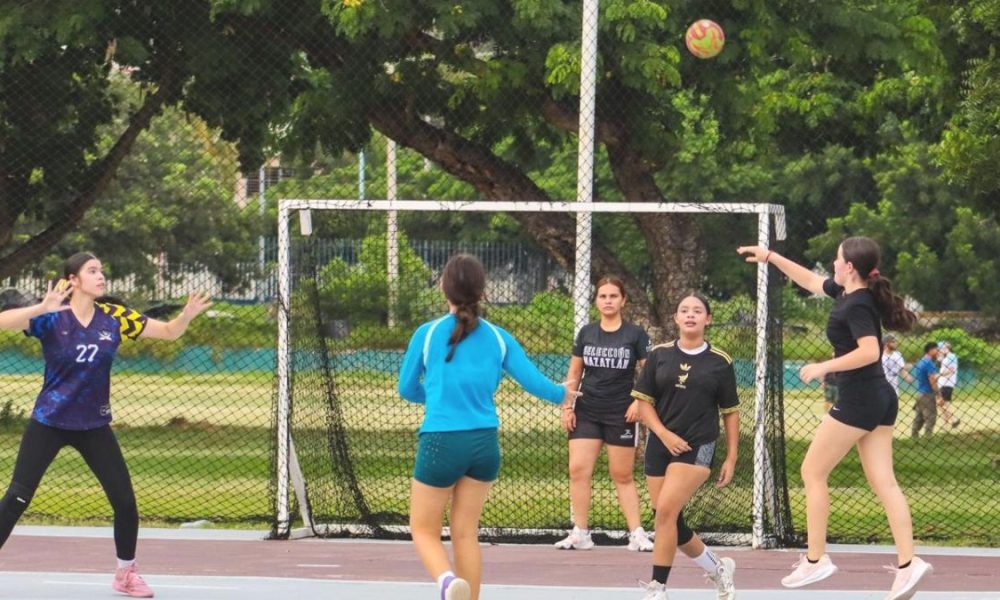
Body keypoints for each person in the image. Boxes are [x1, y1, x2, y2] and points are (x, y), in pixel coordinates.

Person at [0, 252, 212, 598]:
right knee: (17, 498)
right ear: (73, 280)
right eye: (92, 270)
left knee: (125, 502)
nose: (101, 276)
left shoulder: (114, 317)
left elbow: (169, 332)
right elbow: (2, 321)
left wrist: (185, 316)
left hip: (93, 424)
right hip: (49, 421)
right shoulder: (51, 316)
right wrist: (40, 307)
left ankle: (125, 574)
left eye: (101, 270)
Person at [737, 237, 932, 600]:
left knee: (812, 472)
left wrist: (823, 367)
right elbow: (811, 281)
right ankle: (909, 564)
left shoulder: (857, 304)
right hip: (879, 397)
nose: (833, 262)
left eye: (837, 258)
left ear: (850, 267)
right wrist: (771, 257)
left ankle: (816, 559)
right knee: (885, 483)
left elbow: (869, 351)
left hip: (860, 399)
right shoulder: (849, 293)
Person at [398, 254, 579, 600]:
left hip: (440, 442)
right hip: (484, 445)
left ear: (443, 288)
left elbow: (406, 388)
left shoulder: (427, 333)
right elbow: (534, 381)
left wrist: (436, 398)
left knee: (423, 530)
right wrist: (562, 394)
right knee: (466, 533)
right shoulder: (498, 337)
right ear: (482, 291)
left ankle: (447, 583)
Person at [632, 293, 739, 600]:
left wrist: (731, 456)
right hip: (660, 444)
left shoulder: (720, 362)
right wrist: (663, 434)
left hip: (697, 445)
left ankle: (658, 587)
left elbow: (730, 412)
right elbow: (643, 402)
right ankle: (718, 568)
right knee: (670, 520)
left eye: (697, 310)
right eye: (684, 310)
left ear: (708, 319)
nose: (690, 315)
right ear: (676, 318)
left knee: (665, 512)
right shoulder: (659, 355)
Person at [555, 276, 653, 552]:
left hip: (621, 413)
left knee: (621, 474)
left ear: (623, 300)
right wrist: (567, 406)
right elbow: (575, 372)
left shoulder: (635, 334)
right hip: (587, 411)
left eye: (613, 296)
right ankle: (581, 533)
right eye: (603, 296)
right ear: (596, 300)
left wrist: (639, 402)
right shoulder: (586, 332)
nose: (608, 301)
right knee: (578, 470)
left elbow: (649, 373)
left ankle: (636, 534)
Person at [912, 342, 941, 439]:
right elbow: (932, 380)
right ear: (931, 350)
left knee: (919, 417)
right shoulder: (929, 363)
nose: (938, 352)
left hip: (920, 393)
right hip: (927, 394)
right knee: (931, 417)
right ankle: (928, 438)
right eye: (937, 350)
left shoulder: (921, 362)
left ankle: (913, 437)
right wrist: (939, 395)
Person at [936, 342, 960, 429]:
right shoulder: (946, 357)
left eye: (941, 349)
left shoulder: (951, 357)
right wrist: (940, 356)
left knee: (940, 403)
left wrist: (939, 375)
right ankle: (946, 424)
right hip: (943, 383)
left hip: (947, 383)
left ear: (946, 348)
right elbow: (938, 359)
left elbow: (951, 370)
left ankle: (954, 419)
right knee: (945, 403)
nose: (940, 351)